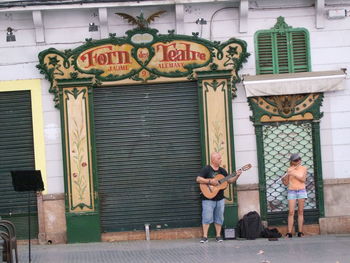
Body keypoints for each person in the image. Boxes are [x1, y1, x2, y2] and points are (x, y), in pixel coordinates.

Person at [196, 152, 242, 243]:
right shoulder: (206, 169)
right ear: (213, 160)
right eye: (218, 158)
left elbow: (230, 180)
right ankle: (205, 237)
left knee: (219, 217)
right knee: (206, 217)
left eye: (220, 158)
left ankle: (218, 236)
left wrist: (237, 175)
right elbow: (198, 179)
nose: (221, 159)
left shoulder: (222, 171)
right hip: (208, 198)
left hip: (220, 198)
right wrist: (210, 181)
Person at [282, 153, 308, 238]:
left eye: (299, 159)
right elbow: (286, 183)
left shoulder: (304, 168)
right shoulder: (289, 169)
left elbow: (303, 179)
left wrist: (294, 174)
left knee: (300, 212)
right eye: (295, 160)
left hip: (301, 190)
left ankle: (300, 232)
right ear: (292, 162)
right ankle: (289, 233)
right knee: (291, 212)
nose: (298, 161)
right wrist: (284, 178)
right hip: (292, 191)